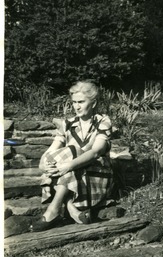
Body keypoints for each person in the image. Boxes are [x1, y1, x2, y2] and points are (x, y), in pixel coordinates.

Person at [31, 80, 113, 232]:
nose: (77, 106)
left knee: (72, 151)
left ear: (93, 103)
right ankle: (70, 209)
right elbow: (50, 151)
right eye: (74, 102)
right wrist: (43, 164)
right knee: (58, 159)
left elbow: (96, 152)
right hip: (74, 175)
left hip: (96, 176)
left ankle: (54, 210)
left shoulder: (103, 122)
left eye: (81, 102)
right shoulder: (67, 124)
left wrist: (68, 165)